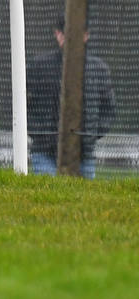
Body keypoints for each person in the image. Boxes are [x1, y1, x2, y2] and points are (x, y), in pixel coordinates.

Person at [26, 13, 116, 178]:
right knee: (47, 199)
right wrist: (40, 133)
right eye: (65, 34)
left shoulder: (98, 69)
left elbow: (108, 110)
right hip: (44, 152)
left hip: (83, 155)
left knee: (84, 201)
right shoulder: (38, 66)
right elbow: (20, 106)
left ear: (86, 35)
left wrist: (90, 135)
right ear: (57, 34)